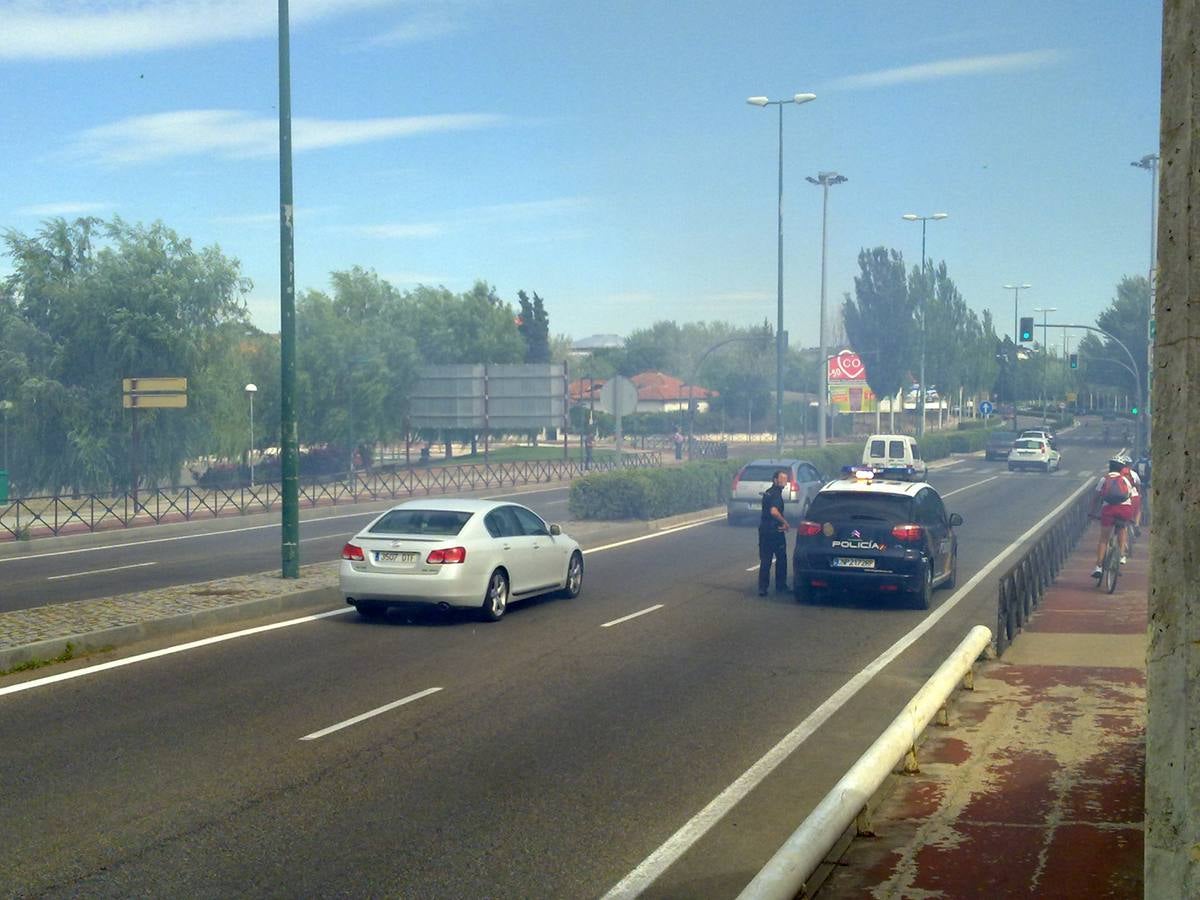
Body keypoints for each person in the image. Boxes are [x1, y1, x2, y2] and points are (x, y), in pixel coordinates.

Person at [1091, 458, 1136, 578]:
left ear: (1110, 467)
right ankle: (1121, 556)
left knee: (1104, 539)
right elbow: (1131, 496)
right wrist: (1132, 516)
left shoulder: (1104, 479)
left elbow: (1096, 497)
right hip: (1124, 510)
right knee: (1122, 529)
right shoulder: (1125, 480)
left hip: (1108, 510)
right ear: (1121, 468)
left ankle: (1099, 567)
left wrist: (1092, 512)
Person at [757, 469, 790, 596]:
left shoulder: (768, 493)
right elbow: (774, 511)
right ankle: (781, 586)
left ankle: (762, 588)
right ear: (775, 480)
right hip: (775, 531)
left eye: (786, 479)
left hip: (764, 530)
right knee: (781, 559)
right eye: (782, 479)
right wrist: (785, 523)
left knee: (765, 559)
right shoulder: (776, 494)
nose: (785, 482)